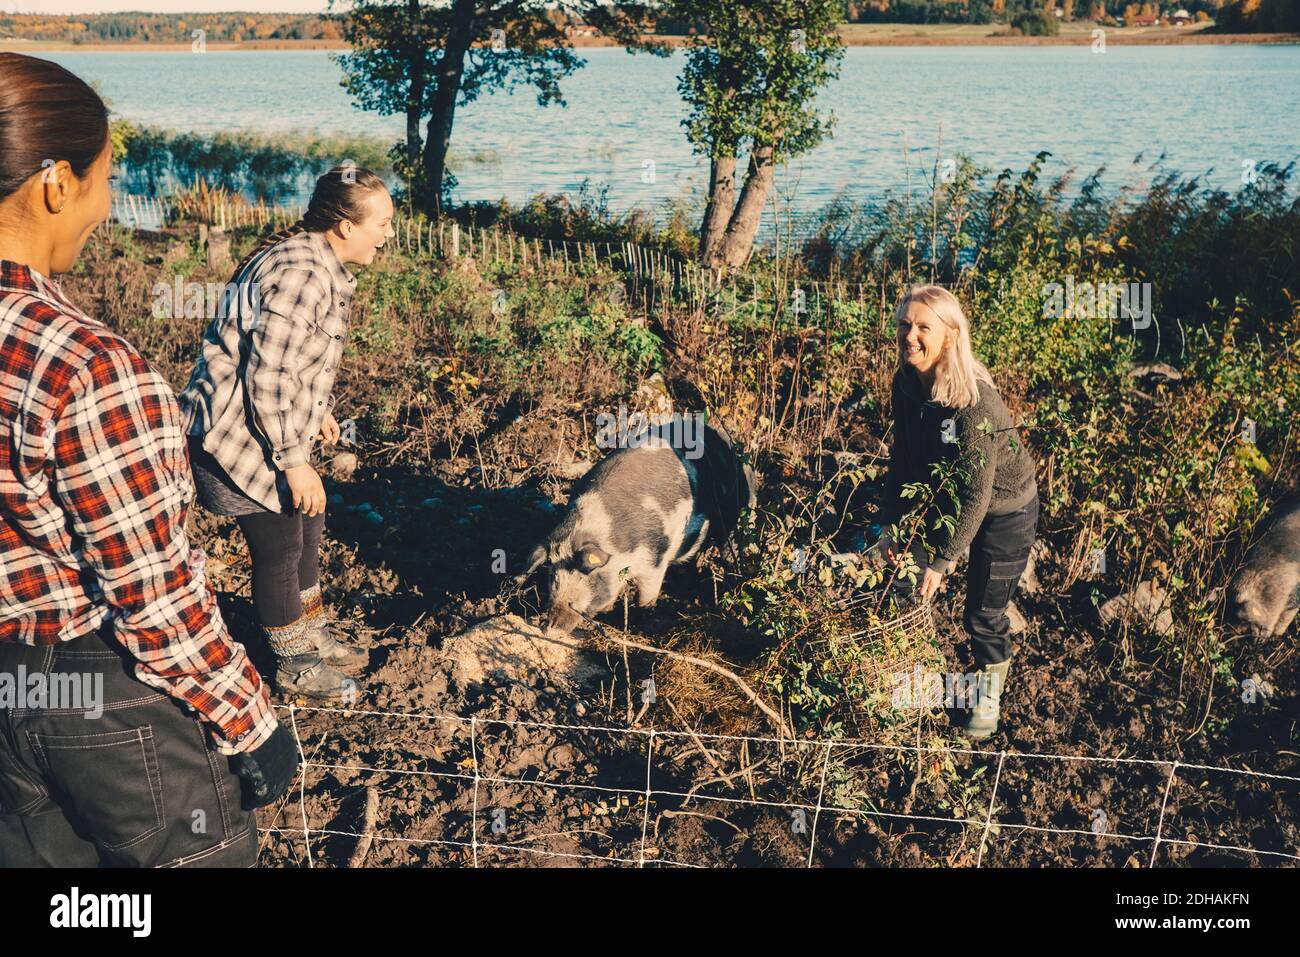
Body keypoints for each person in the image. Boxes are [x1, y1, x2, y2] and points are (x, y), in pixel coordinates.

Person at [0, 52, 298, 866]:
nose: (103, 206)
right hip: (99, 696)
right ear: (55, 184)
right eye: (101, 178)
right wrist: (252, 722)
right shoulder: (86, 366)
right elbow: (154, 596)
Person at [177, 166, 393, 702]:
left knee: (309, 524)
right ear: (345, 225)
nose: (388, 234)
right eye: (382, 223)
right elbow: (267, 377)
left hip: (263, 424)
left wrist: (315, 411)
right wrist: (295, 460)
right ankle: (294, 665)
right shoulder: (302, 274)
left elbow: (285, 361)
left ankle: (310, 633)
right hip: (236, 436)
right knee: (280, 546)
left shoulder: (314, 259)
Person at [874, 284, 1039, 739]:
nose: (910, 335)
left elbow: (976, 495)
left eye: (923, 327)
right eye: (905, 324)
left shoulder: (973, 402)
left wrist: (944, 561)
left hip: (1005, 508)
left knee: (981, 615)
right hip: (943, 496)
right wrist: (890, 524)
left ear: (949, 335)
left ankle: (987, 700)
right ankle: (911, 682)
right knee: (903, 581)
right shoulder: (906, 384)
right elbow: (903, 458)